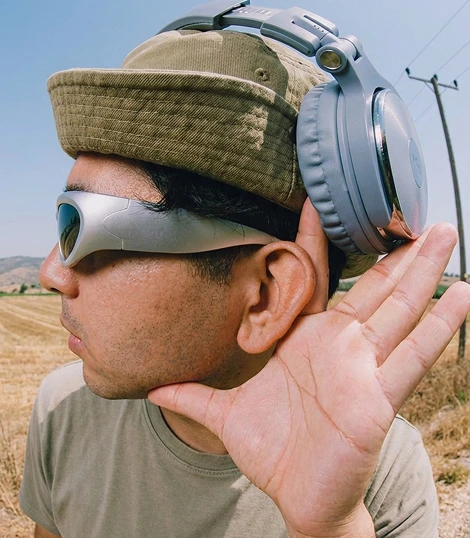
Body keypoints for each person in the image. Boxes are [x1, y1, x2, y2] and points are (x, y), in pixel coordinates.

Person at [20, 10, 470, 538]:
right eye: (63, 217)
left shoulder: (381, 477)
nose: (52, 273)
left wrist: (333, 526)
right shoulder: (63, 410)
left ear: (265, 294)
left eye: (85, 227)